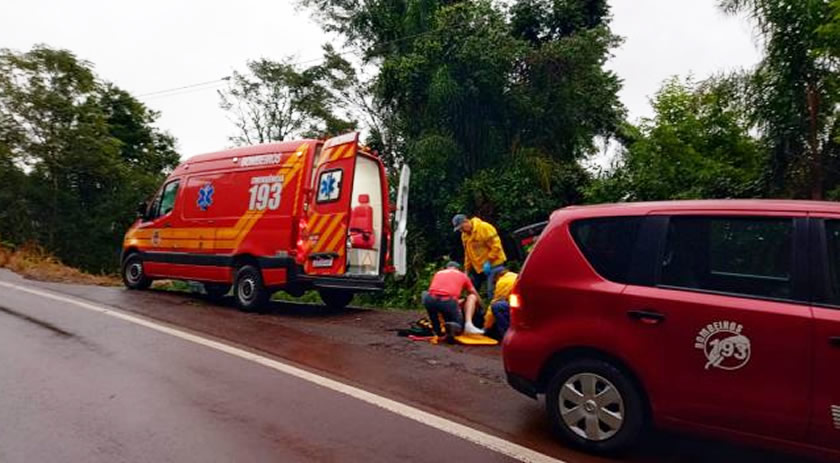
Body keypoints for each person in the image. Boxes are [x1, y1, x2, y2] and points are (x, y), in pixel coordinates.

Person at [422, 262, 485, 340]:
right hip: (448, 301)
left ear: (446, 267)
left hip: (430, 300)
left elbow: (436, 290)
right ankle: (454, 326)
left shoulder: (438, 273)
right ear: (458, 269)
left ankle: (437, 330)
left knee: (429, 300)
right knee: (458, 325)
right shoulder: (462, 275)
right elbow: (473, 292)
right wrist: (482, 306)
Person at [452, 214, 507, 301]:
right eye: (459, 230)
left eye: (461, 228)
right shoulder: (464, 235)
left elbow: (496, 246)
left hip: (494, 263)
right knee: (472, 290)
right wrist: (466, 271)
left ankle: (498, 309)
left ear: (466, 221)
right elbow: (467, 253)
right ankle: (479, 310)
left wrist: (488, 261)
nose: (461, 231)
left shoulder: (484, 227)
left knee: (491, 292)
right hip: (479, 266)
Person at [489, 269, 518, 339]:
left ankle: (508, 337)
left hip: (517, 306)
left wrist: (486, 327)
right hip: (522, 305)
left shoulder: (502, 282)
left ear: (497, 277)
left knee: (497, 306)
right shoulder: (515, 276)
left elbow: (495, 301)